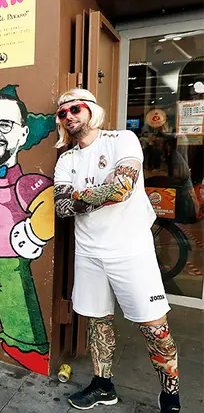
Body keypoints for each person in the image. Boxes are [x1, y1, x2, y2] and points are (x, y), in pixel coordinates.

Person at [53, 88, 180, 412]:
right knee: (98, 322)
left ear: (91, 110)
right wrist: (99, 192)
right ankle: (102, 384)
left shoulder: (121, 139)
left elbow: (122, 188)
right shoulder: (67, 159)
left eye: (75, 109)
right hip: (89, 252)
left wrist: (81, 195)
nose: (69, 116)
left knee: (155, 327)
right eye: (62, 113)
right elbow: (62, 208)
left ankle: (170, 394)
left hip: (131, 250)